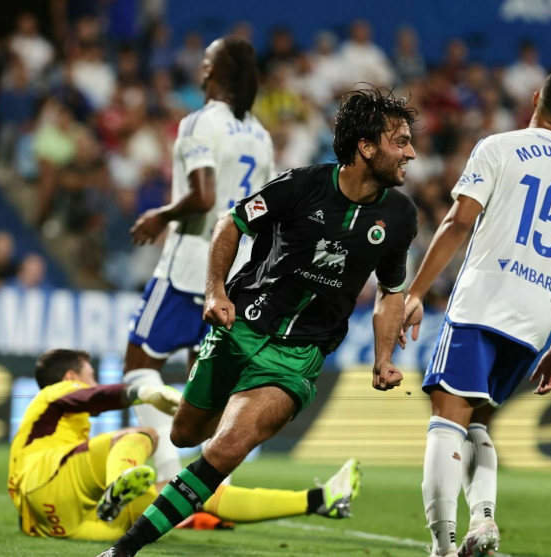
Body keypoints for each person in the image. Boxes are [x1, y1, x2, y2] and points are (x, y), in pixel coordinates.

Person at [99, 87, 418, 556]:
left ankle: (121, 551)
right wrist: (215, 290)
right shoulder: (301, 185)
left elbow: (391, 292)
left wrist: (385, 357)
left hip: (299, 355)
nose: (410, 152)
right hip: (242, 328)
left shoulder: (400, 216)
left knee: (225, 451)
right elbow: (231, 224)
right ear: (366, 147)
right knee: (185, 435)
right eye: (400, 141)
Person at [401, 72, 551, 557]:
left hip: (482, 303)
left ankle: (443, 548)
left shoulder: (499, 147)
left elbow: (458, 221)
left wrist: (415, 291)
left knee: (448, 420)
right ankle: (485, 523)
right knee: (478, 424)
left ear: (535, 99)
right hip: (534, 319)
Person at [8, 349, 361, 541]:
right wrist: (139, 392)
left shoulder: (50, 436)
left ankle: (319, 501)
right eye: (89, 374)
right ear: (71, 378)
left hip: (61, 524)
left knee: (191, 493)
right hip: (53, 485)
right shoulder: (52, 396)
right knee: (141, 436)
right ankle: (121, 481)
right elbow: (94, 396)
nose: (93, 381)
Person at [123, 35, 273, 485]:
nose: (201, 67)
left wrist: (160, 214)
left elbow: (204, 196)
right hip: (232, 274)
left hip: (188, 265)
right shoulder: (261, 137)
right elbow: (262, 212)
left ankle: (166, 474)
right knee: (203, 380)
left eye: (207, 60)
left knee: (138, 367)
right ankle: (215, 488)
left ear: (212, 72)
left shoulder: (198, 124)